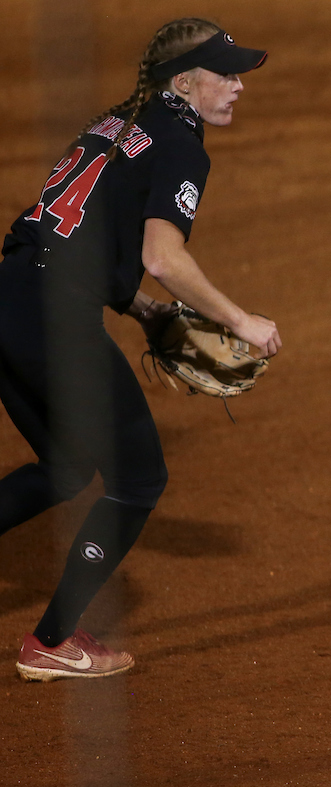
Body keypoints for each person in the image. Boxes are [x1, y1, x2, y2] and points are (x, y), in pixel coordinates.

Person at [0, 18, 281, 681]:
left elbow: (80, 240)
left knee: (64, 467)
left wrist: (144, 312)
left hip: (9, 295)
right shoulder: (183, 145)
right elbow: (162, 254)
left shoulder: (113, 124)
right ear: (185, 80)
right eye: (227, 73)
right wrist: (240, 320)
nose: (239, 86)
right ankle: (51, 641)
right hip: (55, 318)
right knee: (139, 480)